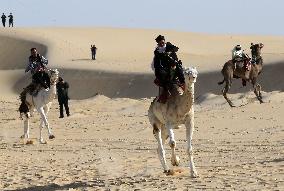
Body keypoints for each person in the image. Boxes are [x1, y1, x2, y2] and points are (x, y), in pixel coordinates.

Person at [153, 35, 185, 103]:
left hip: (174, 64)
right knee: (161, 74)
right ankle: (166, 91)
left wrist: (170, 52)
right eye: (160, 43)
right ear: (158, 43)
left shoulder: (168, 45)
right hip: (165, 68)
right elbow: (157, 63)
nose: (162, 44)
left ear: (164, 41)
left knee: (179, 69)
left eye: (163, 42)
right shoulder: (157, 51)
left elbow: (176, 48)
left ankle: (183, 84)